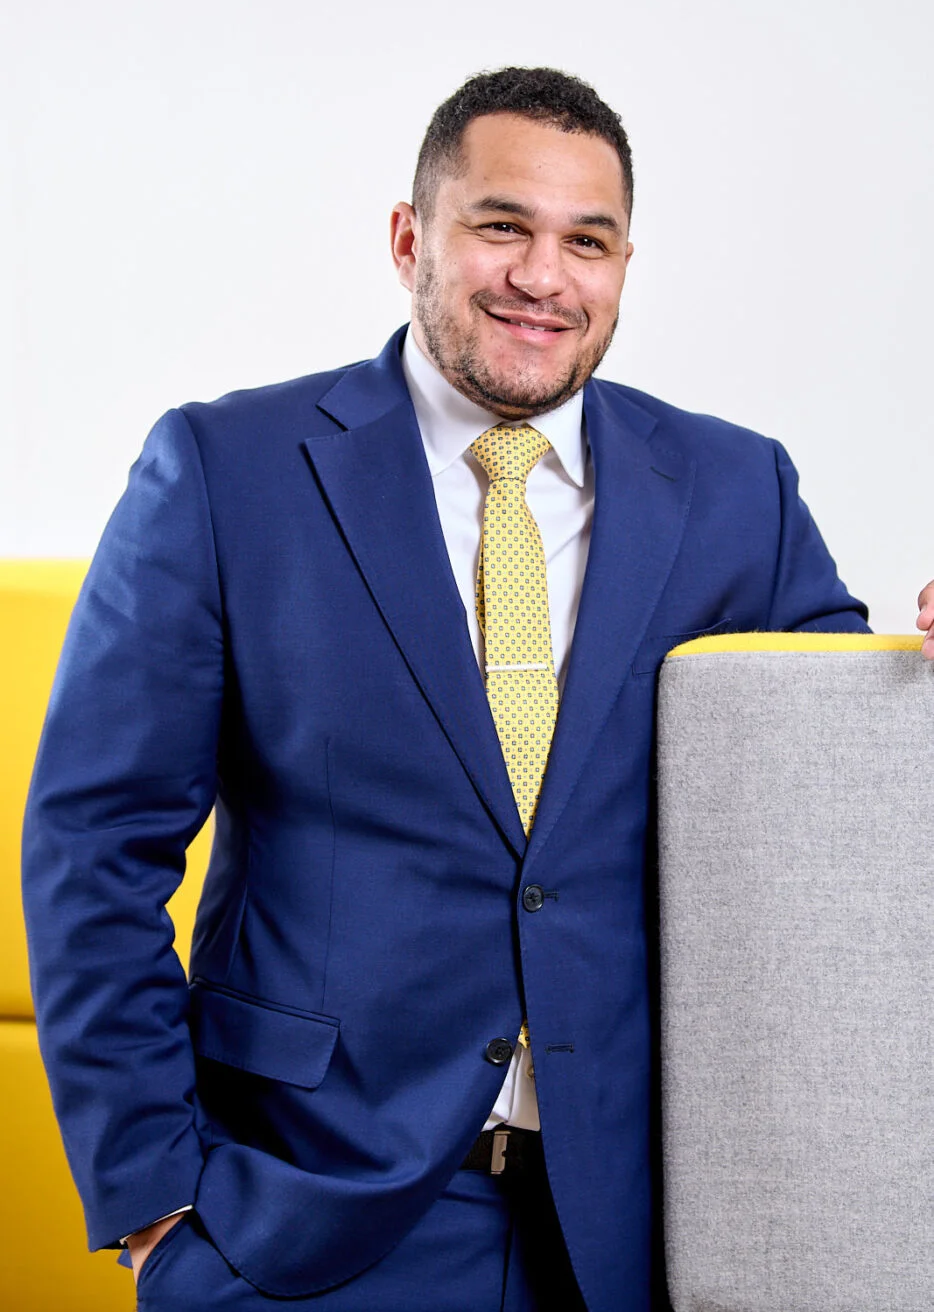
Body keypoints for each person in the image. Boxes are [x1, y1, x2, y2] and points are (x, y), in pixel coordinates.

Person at [21, 67, 934, 1312]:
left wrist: (921, 667)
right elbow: (95, 839)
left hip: (631, 1226)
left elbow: (838, 794)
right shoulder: (228, 470)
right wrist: (154, 1203)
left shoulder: (735, 491)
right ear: (410, 237)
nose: (542, 276)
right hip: (300, 1216)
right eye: (501, 225)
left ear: (622, 266)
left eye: (587, 241)